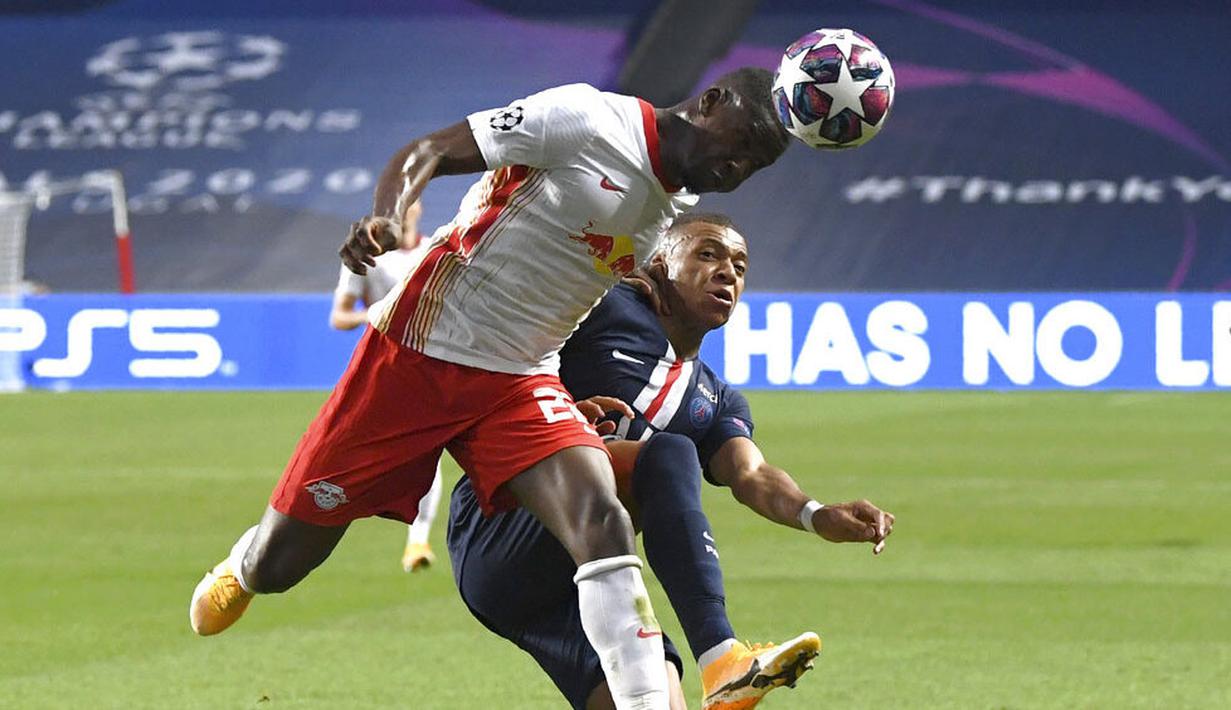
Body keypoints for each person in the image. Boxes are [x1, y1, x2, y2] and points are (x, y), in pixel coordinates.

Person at [189, 67, 790, 709]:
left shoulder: (672, 204)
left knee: (601, 517)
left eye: (753, 163)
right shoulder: (589, 120)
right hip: (418, 354)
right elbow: (427, 151)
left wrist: (564, 393)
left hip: (519, 379)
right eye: (741, 142)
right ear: (711, 101)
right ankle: (245, 563)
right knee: (283, 565)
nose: (736, 166)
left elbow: (569, 290)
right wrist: (389, 220)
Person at [448, 214, 895, 710]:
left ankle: (720, 671)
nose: (728, 271)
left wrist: (816, 514)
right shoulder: (599, 307)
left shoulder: (717, 400)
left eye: (739, 265)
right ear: (660, 263)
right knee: (669, 452)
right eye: (708, 254)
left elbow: (751, 473)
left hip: (588, 570)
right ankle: (721, 657)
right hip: (503, 527)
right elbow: (509, 320)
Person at [329, 197, 442, 573]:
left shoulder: (436, 250)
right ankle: (329, 517)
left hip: (430, 365)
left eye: (412, 202)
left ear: (419, 210)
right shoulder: (368, 257)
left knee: (431, 449)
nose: (407, 208)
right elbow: (339, 316)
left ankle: (418, 541)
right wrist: (374, 312)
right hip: (383, 365)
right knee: (357, 450)